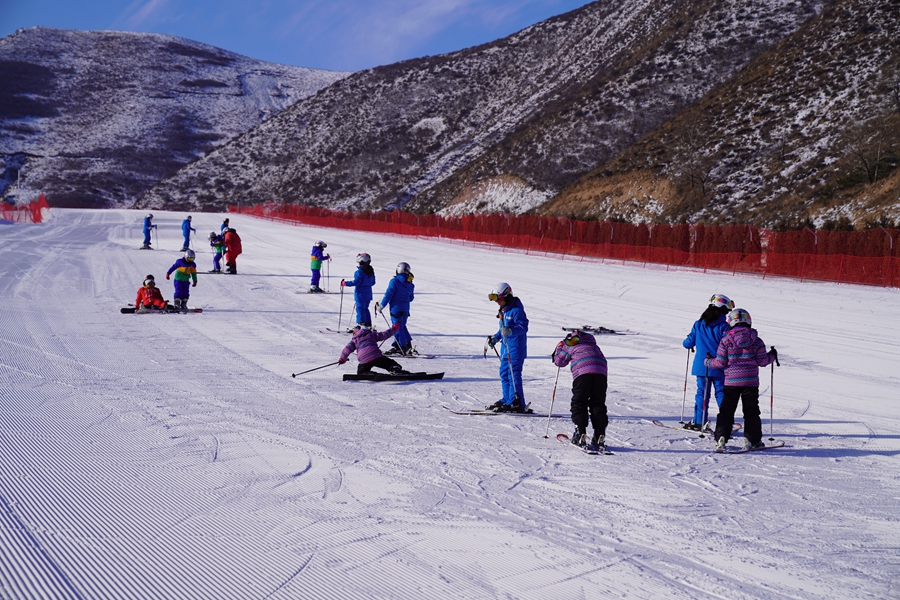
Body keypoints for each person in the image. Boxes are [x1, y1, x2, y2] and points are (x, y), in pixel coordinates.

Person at [705, 308, 778, 452]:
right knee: (751, 411)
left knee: (726, 411)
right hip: (750, 383)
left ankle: (721, 437)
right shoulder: (757, 341)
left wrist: (708, 361)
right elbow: (763, 361)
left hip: (731, 382)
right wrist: (772, 355)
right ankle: (753, 440)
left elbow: (720, 362)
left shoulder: (726, 341)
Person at [682, 293, 733, 431]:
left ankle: (699, 421)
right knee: (721, 393)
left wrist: (688, 339)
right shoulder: (724, 326)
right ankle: (726, 422)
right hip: (719, 365)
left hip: (702, 366)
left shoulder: (699, 324)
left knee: (702, 393)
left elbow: (688, 343)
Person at [553, 331, 609, 451]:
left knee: (579, 402)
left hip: (583, 373)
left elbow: (559, 361)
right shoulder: (594, 346)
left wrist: (560, 347)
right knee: (598, 403)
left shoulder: (570, 345)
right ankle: (600, 434)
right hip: (600, 374)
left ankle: (580, 431)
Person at [485, 282, 529, 413]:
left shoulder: (517, 310)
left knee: (513, 375)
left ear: (507, 296)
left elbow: (523, 327)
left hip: (516, 349)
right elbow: (502, 330)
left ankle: (516, 402)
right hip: (506, 349)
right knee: (504, 374)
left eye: (499, 299)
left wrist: (511, 331)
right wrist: (495, 338)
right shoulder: (504, 310)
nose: (497, 302)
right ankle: (507, 399)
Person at [338, 323, 408, 375]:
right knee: (388, 363)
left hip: (364, 359)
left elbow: (346, 350)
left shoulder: (354, 340)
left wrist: (342, 359)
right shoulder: (371, 335)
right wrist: (395, 328)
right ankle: (394, 368)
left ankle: (366, 373)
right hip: (376, 356)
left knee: (361, 372)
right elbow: (385, 334)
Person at [379, 262, 415, 355]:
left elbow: (388, 295)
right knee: (402, 326)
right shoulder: (410, 283)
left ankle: (402, 347)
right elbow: (411, 298)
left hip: (396, 309)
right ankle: (406, 345)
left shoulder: (394, 281)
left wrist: (381, 306)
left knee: (397, 327)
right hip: (405, 309)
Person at [341, 253, 376, 327]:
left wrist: (345, 283)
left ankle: (361, 324)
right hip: (368, 294)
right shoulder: (371, 271)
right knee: (365, 309)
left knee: (360, 309)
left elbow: (356, 282)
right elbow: (373, 282)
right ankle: (368, 324)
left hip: (360, 294)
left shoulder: (359, 272)